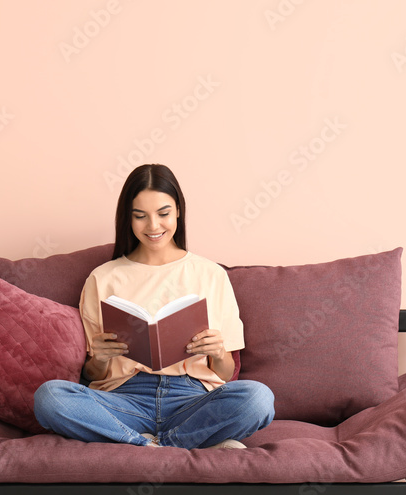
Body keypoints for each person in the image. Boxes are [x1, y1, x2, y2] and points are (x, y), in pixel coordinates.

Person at [34, 164, 275, 449]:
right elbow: (95, 376)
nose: (153, 226)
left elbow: (223, 373)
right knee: (49, 397)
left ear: (178, 212)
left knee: (258, 398)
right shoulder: (103, 278)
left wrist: (218, 351)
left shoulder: (210, 274)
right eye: (140, 216)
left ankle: (146, 446)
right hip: (123, 398)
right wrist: (98, 359)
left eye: (163, 214)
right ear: (128, 218)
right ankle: (169, 445)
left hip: (192, 398)